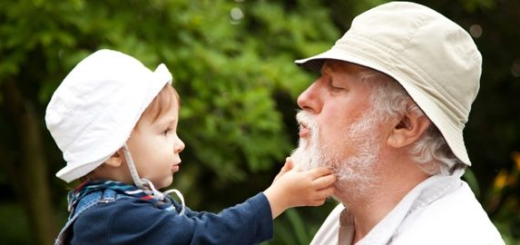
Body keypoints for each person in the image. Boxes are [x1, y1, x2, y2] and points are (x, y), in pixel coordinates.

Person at [45, 49, 336, 245]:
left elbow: (202, 224)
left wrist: (274, 191)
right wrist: (276, 199)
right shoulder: (113, 218)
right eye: (165, 131)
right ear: (116, 152)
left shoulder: (131, 206)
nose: (180, 143)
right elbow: (205, 236)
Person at [289, 2, 505, 245]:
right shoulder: (351, 219)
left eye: (336, 86)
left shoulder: (449, 237)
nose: (305, 98)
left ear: (403, 125)